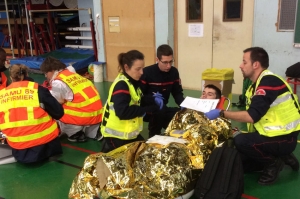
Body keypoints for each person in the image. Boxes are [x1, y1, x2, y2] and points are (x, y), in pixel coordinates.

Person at [205, 47, 300, 185]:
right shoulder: (255, 86)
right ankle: (282, 155)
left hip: (285, 138)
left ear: (255, 65)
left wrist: (222, 113)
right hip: (274, 135)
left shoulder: (268, 83)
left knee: (242, 142)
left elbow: (251, 116)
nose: (240, 65)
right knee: (243, 162)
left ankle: (273, 163)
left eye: (244, 62)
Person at [0, 64, 64, 164]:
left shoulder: (2, 94)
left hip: (19, 149)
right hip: (46, 146)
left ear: (11, 78)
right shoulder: (37, 89)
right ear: (27, 74)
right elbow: (58, 113)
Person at [101, 50, 161, 153]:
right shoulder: (122, 85)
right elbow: (122, 112)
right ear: (126, 67)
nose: (142, 72)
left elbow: (137, 99)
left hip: (128, 134)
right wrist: (146, 110)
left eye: (142, 68)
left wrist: (153, 99)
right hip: (116, 136)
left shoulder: (132, 81)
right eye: (138, 69)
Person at [40, 57, 103, 142]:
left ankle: (74, 133)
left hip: (84, 115)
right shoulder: (72, 74)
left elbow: (57, 102)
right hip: (98, 113)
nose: (46, 76)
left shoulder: (57, 82)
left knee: (56, 109)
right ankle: (93, 131)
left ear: (51, 70)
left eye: (46, 73)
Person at [140, 44, 185, 138]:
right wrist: (153, 99)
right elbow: (139, 96)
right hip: (147, 109)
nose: (168, 66)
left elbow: (177, 92)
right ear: (157, 59)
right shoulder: (147, 72)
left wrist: (184, 105)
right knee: (159, 112)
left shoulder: (174, 72)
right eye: (165, 62)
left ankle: (170, 133)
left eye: (170, 62)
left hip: (163, 107)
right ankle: (153, 136)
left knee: (179, 113)